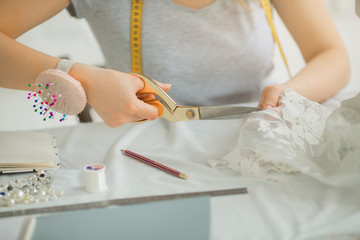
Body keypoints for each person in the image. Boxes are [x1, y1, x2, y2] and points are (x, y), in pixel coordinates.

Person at [0, 0, 350, 127]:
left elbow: (331, 55)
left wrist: (290, 91)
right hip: (141, 143)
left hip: (250, 128)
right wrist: (79, 77)